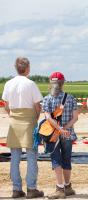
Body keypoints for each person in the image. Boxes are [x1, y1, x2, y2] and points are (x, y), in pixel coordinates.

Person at [1, 57, 44, 198]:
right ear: (27, 68)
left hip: (14, 121)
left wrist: (13, 116)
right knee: (32, 156)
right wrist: (35, 118)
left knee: (15, 157)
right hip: (29, 120)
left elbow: (6, 106)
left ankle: (16, 189)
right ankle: (31, 188)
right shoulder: (31, 84)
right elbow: (38, 106)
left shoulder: (8, 84)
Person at [42, 72, 78, 199]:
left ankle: (59, 188)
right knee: (67, 158)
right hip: (68, 134)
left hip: (53, 135)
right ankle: (68, 187)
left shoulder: (47, 99)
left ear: (51, 83)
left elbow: (47, 117)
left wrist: (58, 129)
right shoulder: (71, 98)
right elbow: (75, 118)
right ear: (63, 83)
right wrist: (65, 129)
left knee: (56, 159)